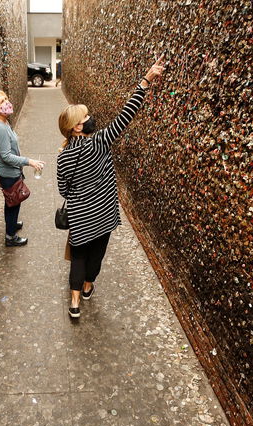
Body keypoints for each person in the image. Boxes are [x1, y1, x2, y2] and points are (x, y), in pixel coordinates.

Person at [56, 55, 166, 318]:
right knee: (96, 256)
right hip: (104, 214)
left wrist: (80, 195)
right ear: (77, 127)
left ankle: (74, 304)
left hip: (80, 216)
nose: (91, 117)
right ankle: (87, 287)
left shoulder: (64, 155)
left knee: (79, 256)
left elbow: (63, 189)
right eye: (86, 116)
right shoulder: (101, 141)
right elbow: (126, 115)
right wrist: (145, 81)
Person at [0, 90, 44, 247]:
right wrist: (29, 161)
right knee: (13, 203)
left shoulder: (3, 122)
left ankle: (12, 225)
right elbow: (6, 156)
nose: (7, 103)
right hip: (8, 173)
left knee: (11, 201)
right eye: (2, 102)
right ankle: (10, 237)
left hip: (9, 172)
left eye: (6, 99)